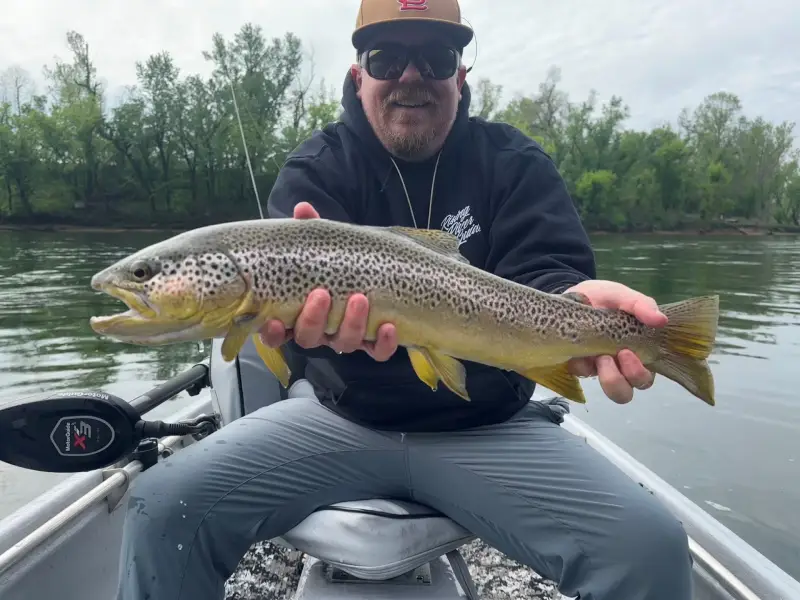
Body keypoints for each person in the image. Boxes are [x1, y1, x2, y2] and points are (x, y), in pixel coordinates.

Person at [115, 1, 692, 599]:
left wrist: (575, 301)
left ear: (460, 77)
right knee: (161, 509)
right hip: (342, 418)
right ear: (358, 73)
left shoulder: (514, 165)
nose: (410, 76)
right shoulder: (319, 169)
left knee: (651, 549)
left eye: (436, 56)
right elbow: (284, 310)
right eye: (387, 56)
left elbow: (546, 273)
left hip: (487, 426)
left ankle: (668, 347)